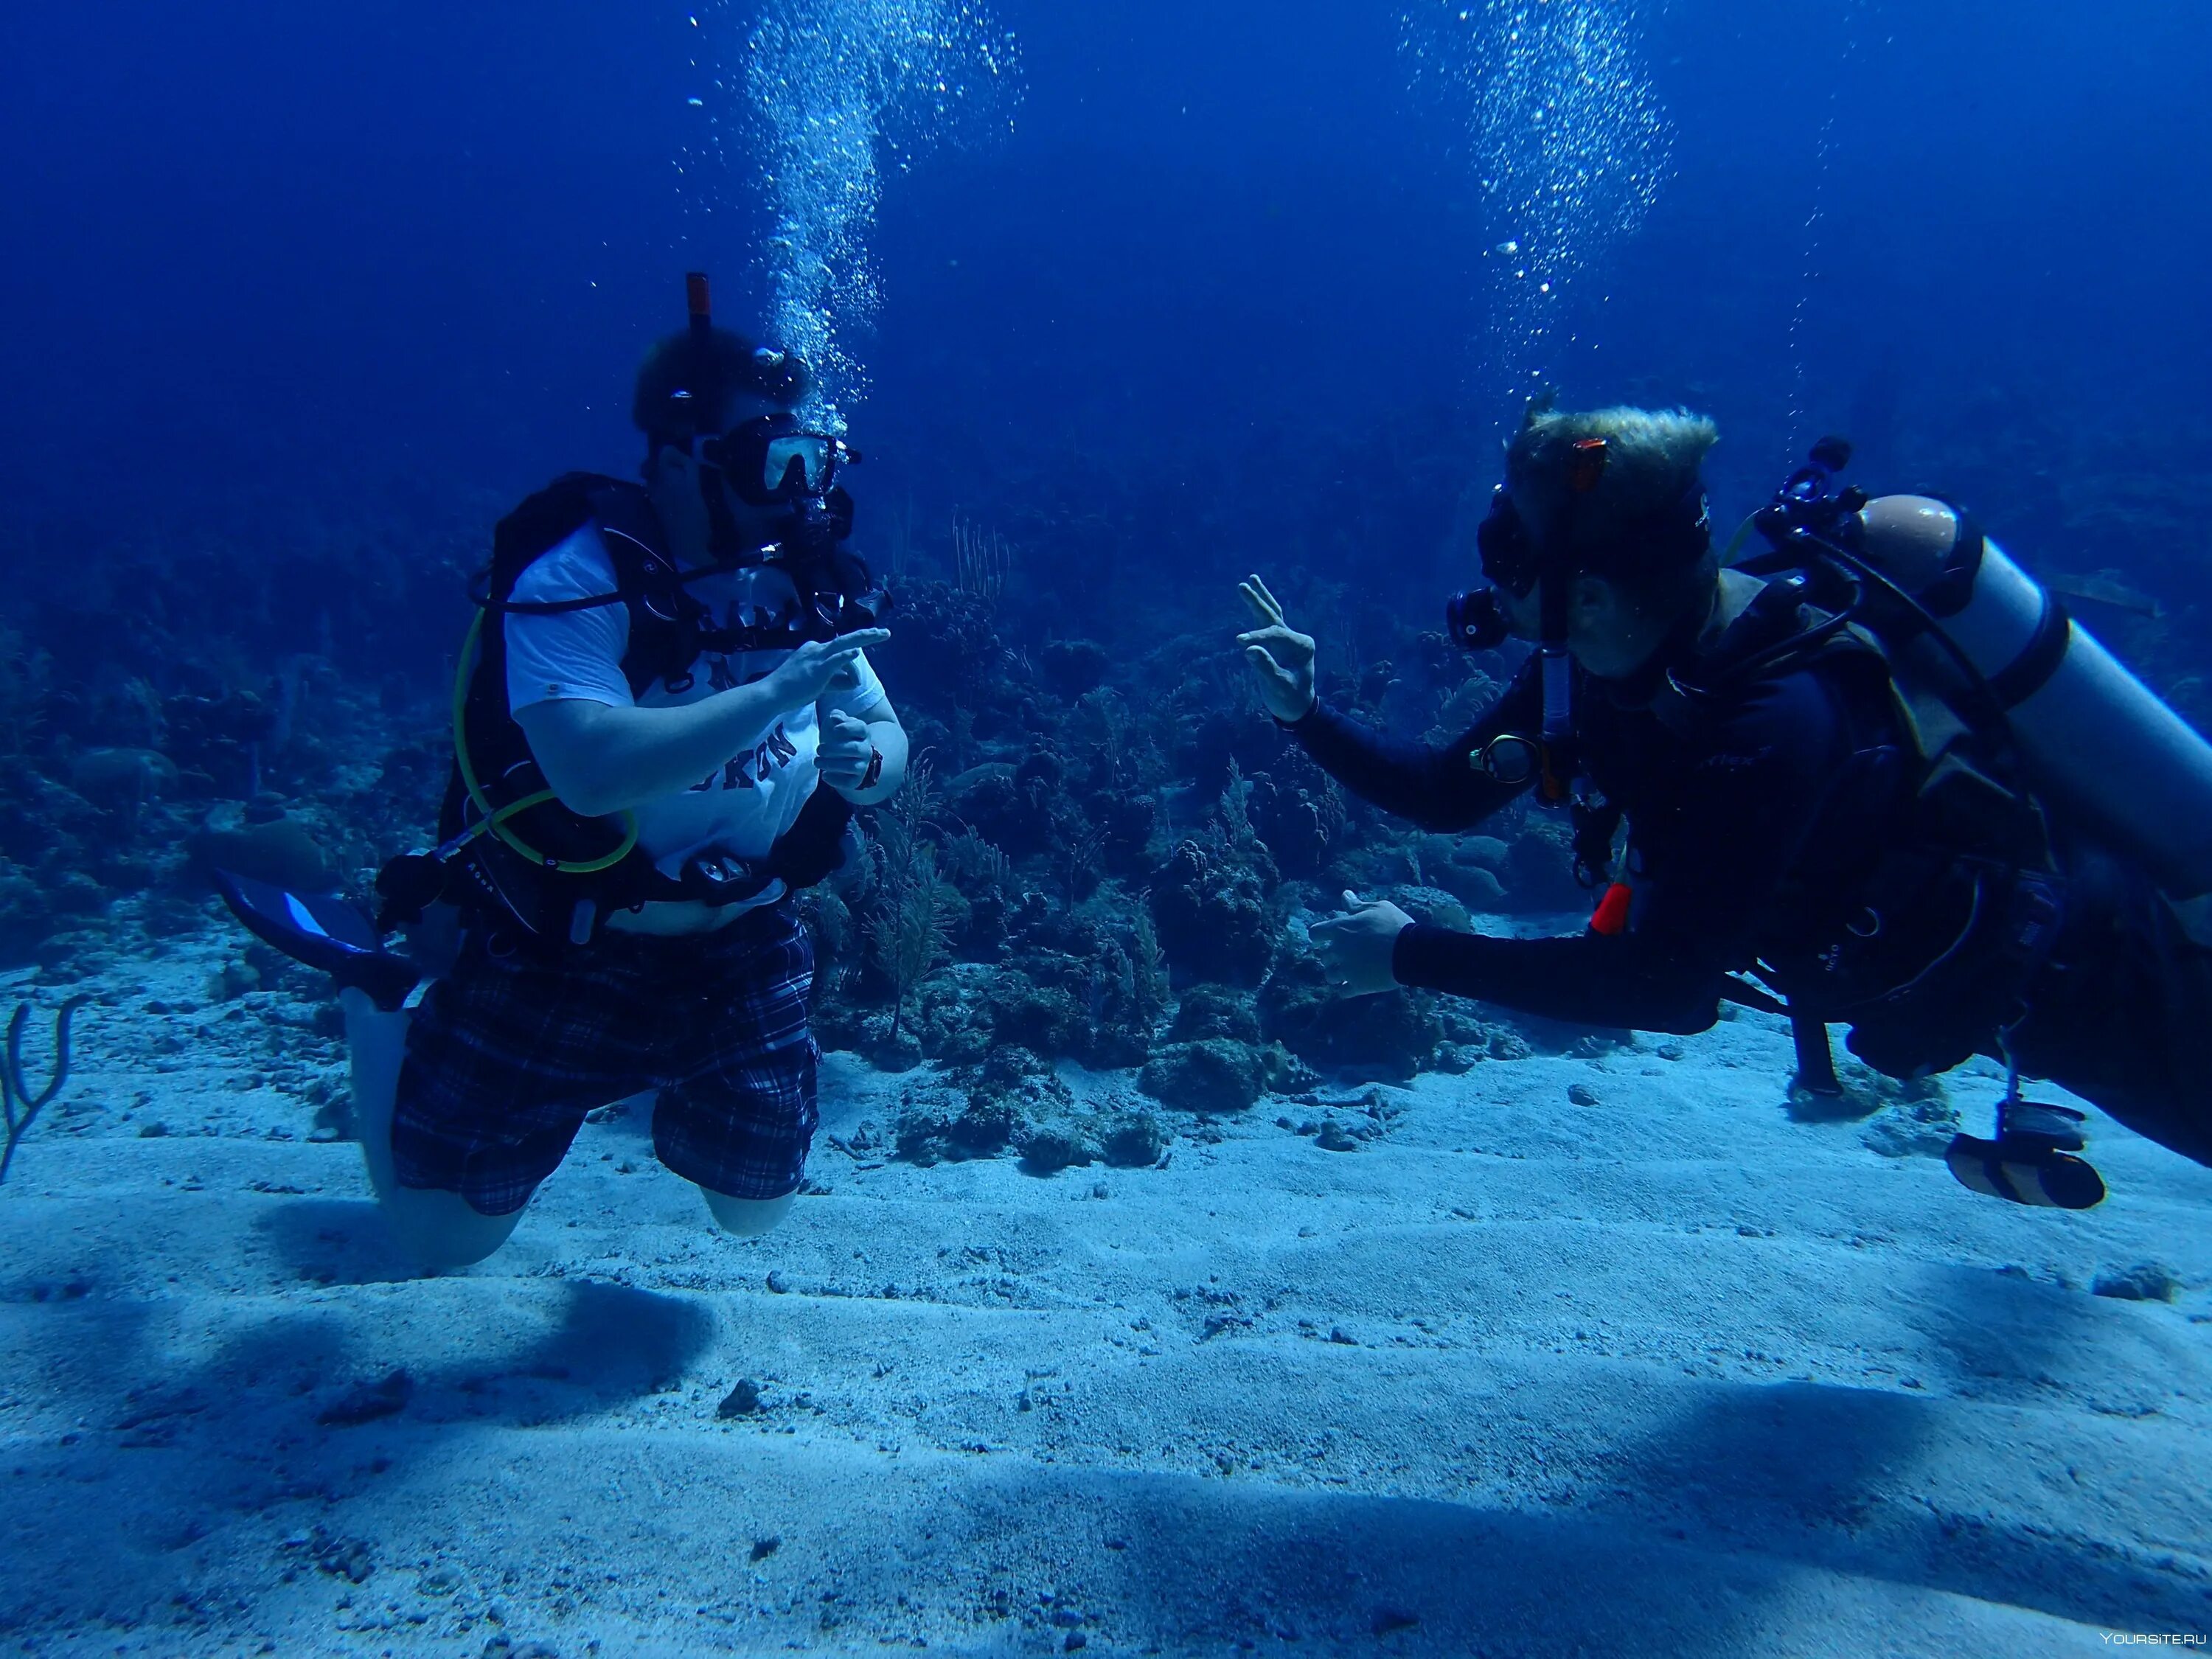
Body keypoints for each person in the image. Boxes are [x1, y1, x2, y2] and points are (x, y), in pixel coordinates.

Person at [1237, 401, 2212, 1209]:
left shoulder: (1774, 722)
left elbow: (1666, 987)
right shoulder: (1590, 667)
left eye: (1509, 551)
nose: (1493, 579)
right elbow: (1443, 795)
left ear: (1594, 592)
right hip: (1964, 993)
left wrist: (1411, 954)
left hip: (2099, 974)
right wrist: (1305, 715)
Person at [223, 275, 907, 1265]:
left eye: (808, 459)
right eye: (767, 460)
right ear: (680, 460)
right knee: (439, 1239)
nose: (793, 491)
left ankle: (651, 1081)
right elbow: (590, 771)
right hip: (566, 933)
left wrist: (867, 759)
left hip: (741, 932)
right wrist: (768, 696)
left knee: (754, 1208)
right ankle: (384, 994)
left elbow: (884, 737)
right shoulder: (581, 575)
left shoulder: (803, 579)